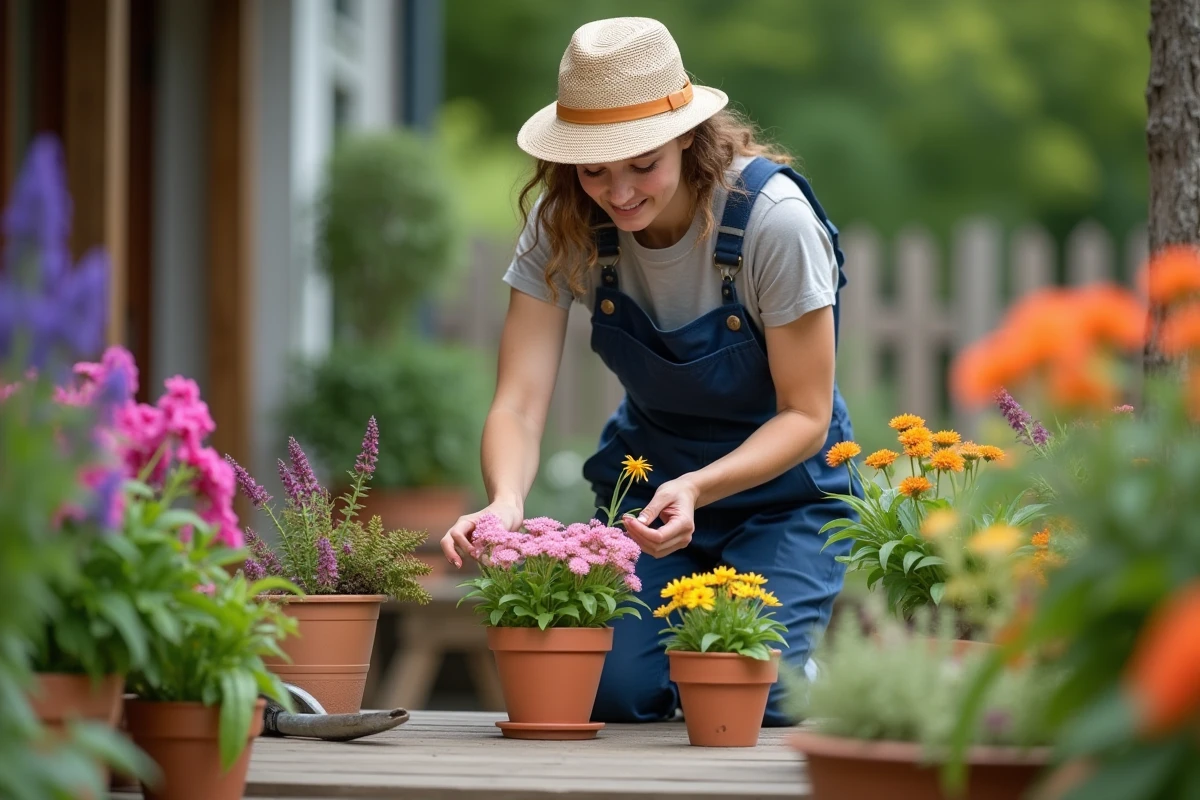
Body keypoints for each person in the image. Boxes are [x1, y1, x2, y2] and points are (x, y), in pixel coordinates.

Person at [440, 16, 859, 726]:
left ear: (689, 139)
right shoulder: (564, 220)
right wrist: (505, 500)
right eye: (594, 168)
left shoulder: (773, 223)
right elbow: (517, 401)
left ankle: (807, 669)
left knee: (762, 692)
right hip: (647, 503)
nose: (619, 192)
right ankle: (683, 671)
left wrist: (698, 486)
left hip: (786, 498)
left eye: (642, 163)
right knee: (612, 694)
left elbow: (806, 416)